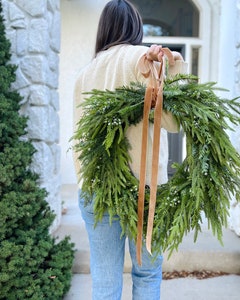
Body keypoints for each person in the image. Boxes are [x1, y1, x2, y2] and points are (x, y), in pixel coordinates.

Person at [73, 1, 187, 299]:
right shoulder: (146, 60)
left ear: (105, 29)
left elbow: (79, 139)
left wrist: (85, 183)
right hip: (145, 188)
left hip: (96, 188)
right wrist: (175, 65)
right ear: (136, 26)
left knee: (104, 281)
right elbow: (174, 122)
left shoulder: (86, 73)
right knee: (147, 274)